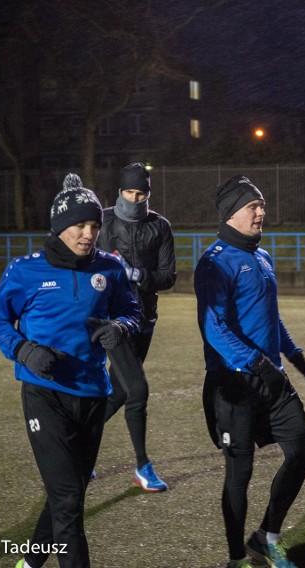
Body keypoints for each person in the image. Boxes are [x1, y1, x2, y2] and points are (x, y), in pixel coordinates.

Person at [0, 174, 141, 568]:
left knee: (67, 495)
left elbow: (131, 311)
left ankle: (29, 562)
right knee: (69, 498)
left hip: (92, 395)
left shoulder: (111, 267)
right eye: (79, 225)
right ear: (59, 227)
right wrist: (22, 349)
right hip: (44, 394)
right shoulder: (24, 271)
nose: (89, 233)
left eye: (94, 225)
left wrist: (120, 327)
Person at [194, 175, 305, 568]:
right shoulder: (214, 263)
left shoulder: (261, 257)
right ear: (232, 213)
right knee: (240, 472)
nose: (261, 212)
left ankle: (266, 535)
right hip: (234, 384)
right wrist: (255, 364)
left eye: (262, 205)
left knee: (303, 455)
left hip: (272, 378)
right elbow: (214, 327)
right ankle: (236, 558)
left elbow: (270, 318)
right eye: (253, 206)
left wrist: (297, 359)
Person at [96, 162, 176, 492]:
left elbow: (169, 276)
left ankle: (75, 446)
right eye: (128, 192)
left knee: (118, 392)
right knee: (138, 390)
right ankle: (143, 466)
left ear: (147, 194)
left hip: (145, 319)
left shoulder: (159, 226)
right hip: (112, 320)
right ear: (120, 191)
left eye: (139, 193)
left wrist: (141, 276)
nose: (133, 197)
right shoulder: (102, 219)